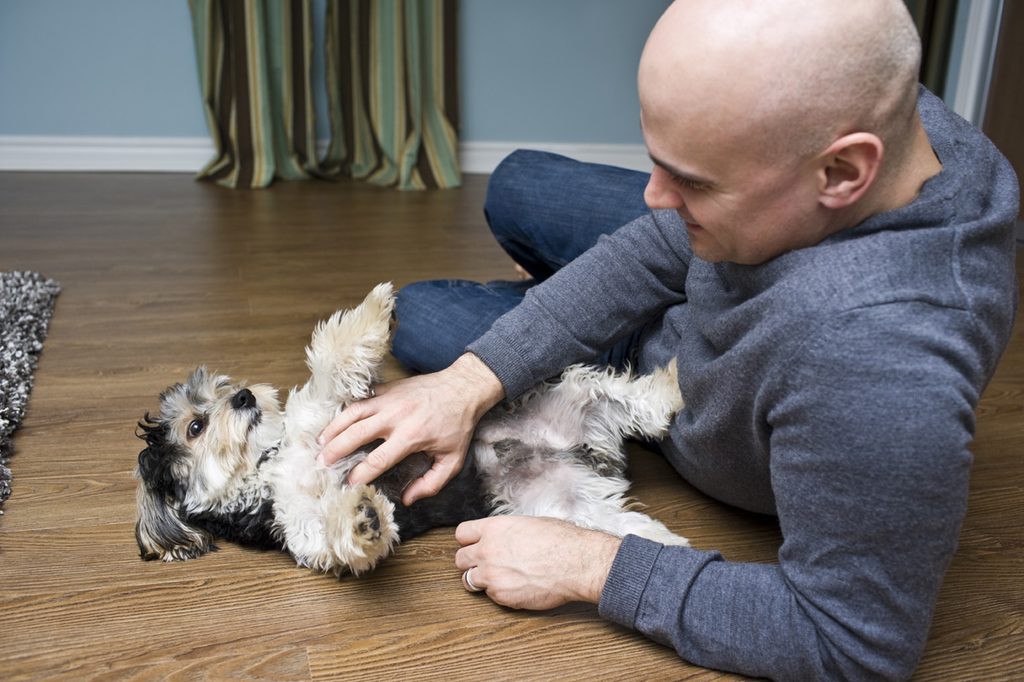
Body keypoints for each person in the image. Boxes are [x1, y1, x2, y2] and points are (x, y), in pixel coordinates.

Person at [316, 0, 1020, 678]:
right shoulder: (890, 111)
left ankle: (568, 308)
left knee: (422, 312)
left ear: (841, 172)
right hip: (709, 282)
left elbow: (851, 641)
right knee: (515, 182)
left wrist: (590, 565)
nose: (654, 195)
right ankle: (590, 285)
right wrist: (469, 382)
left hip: (666, 380)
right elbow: (660, 241)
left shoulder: (881, 365)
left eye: (689, 180)